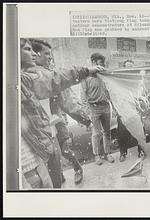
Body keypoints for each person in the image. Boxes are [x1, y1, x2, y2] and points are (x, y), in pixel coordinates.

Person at [20, 38, 103, 189]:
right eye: (46, 54)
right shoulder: (29, 78)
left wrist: (85, 120)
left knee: (63, 152)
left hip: (55, 127)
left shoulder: (45, 74)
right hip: (38, 139)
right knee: (50, 170)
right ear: (37, 55)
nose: (50, 58)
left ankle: (76, 168)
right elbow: (56, 81)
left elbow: (68, 102)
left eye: (51, 54)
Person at [81, 53, 115, 165]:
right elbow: (83, 97)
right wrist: (87, 112)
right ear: (94, 63)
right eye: (100, 63)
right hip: (93, 108)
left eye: (103, 63)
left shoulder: (103, 76)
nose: (102, 66)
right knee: (96, 133)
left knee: (107, 132)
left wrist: (113, 107)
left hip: (105, 106)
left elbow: (109, 92)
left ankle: (107, 153)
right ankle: (97, 156)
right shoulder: (86, 77)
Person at [117, 59, 145, 162]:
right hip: (123, 110)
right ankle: (123, 153)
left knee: (139, 131)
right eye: (127, 67)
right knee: (122, 132)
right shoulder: (119, 80)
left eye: (132, 67)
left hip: (135, 109)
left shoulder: (137, 80)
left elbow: (142, 93)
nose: (130, 69)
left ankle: (141, 150)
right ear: (124, 68)